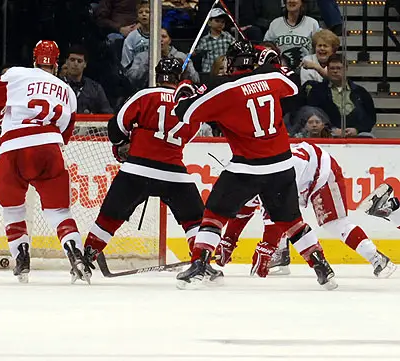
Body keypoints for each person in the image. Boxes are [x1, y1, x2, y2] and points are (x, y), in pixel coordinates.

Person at [172, 40, 336, 289]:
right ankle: (320, 264)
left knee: (214, 214)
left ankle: (199, 264)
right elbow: (293, 84)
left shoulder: (223, 88)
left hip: (246, 168)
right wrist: (270, 58)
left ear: (230, 62)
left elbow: (184, 113)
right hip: (281, 165)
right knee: (291, 220)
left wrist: (184, 89)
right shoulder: (272, 77)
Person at [82, 57, 223, 284]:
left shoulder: (144, 95)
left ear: (157, 75)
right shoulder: (188, 104)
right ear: (179, 78)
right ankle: (200, 261)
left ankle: (87, 257)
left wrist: (124, 143)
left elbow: (116, 125)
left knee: (109, 216)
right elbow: (190, 133)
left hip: (137, 169)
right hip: (173, 172)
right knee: (195, 220)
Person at [0, 40, 91, 284]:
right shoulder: (67, 90)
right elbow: (65, 133)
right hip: (48, 149)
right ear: (57, 62)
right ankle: (76, 255)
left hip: (12, 149)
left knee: (13, 209)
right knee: (59, 211)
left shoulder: (16, 74)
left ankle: (22, 258)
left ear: (34, 59)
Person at [216, 142, 397, 279]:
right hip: (299, 178)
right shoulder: (253, 173)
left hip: (322, 173)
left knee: (334, 224)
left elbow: (275, 214)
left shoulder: (268, 171)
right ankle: (281, 256)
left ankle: (376, 258)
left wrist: (267, 247)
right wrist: (228, 241)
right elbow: (244, 210)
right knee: (279, 216)